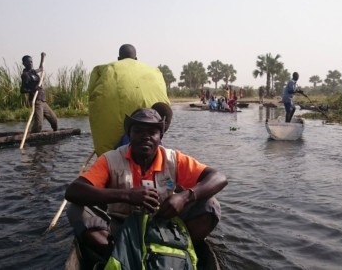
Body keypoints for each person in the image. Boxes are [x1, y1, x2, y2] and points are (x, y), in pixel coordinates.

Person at [65, 108, 228, 262]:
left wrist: (185, 196)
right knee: (76, 209)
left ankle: (176, 251)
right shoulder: (110, 159)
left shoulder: (173, 159)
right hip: (120, 227)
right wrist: (127, 195)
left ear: (160, 137)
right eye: (138, 131)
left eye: (152, 132)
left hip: (164, 226)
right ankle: (117, 256)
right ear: (129, 134)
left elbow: (218, 178)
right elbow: (73, 191)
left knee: (210, 205)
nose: (145, 137)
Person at [88, 44, 170, 155]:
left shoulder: (103, 70)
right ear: (136, 59)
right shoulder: (155, 71)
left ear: (119, 59)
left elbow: (93, 97)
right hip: (149, 131)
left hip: (120, 142)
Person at [20, 52, 58, 133]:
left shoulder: (33, 72)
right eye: (28, 62)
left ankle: (56, 134)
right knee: (39, 124)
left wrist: (42, 57)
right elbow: (22, 90)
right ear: (24, 64)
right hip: (35, 101)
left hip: (42, 100)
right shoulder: (25, 75)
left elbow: (41, 68)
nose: (30, 63)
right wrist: (33, 90)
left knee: (54, 119)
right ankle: (33, 136)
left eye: (31, 61)